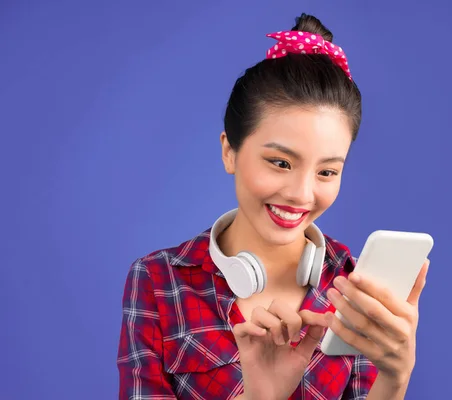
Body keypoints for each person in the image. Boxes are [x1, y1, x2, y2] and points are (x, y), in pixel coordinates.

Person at [117, 12, 430, 400]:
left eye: (327, 172)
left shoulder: (352, 283)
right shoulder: (157, 282)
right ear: (229, 151)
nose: (301, 194)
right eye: (280, 163)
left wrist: (395, 379)